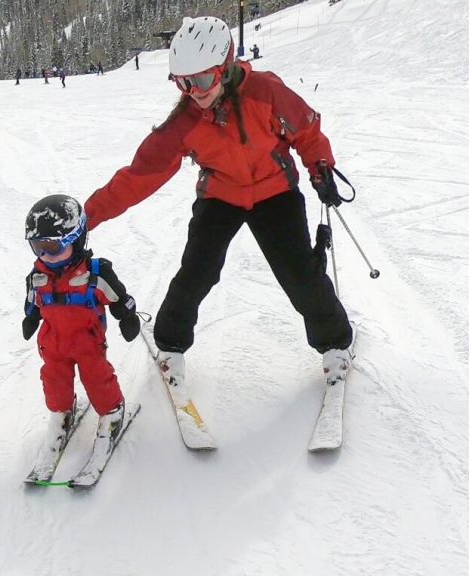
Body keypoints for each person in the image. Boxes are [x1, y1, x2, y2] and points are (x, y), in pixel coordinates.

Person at [83, 16, 355, 392]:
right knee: (197, 271)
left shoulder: (265, 91)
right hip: (221, 196)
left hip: (275, 192)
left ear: (225, 67)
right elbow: (140, 175)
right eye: (183, 82)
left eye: (202, 80)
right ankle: (171, 345)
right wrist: (87, 216)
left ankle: (336, 344)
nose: (194, 91)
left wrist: (320, 167)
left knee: (299, 273)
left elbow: (306, 130)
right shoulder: (185, 121)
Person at [22, 194, 141, 444]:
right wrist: (30, 318)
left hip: (87, 340)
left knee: (97, 378)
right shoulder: (37, 276)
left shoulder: (96, 274)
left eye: (53, 247)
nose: (45, 255)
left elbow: (119, 298)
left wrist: (127, 317)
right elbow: (33, 301)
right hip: (52, 343)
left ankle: (112, 412)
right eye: (38, 247)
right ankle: (61, 412)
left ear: (75, 240)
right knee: (54, 381)